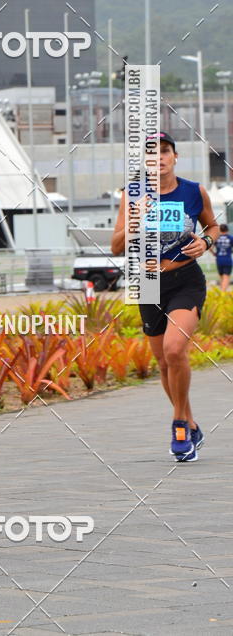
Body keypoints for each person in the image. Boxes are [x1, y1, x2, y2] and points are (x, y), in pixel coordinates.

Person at [111, 132, 219, 462]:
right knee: (162, 361)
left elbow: (212, 227)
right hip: (147, 283)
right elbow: (115, 246)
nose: (158, 158)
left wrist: (207, 243)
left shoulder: (193, 191)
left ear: (175, 157)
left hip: (185, 280)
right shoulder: (132, 195)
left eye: (165, 152)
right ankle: (190, 422)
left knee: (175, 348)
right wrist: (134, 219)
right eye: (150, 154)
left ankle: (178, 425)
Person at [213, 223, 233, 290]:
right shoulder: (230, 238)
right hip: (227, 259)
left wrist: (214, 253)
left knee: (222, 277)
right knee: (226, 277)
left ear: (220, 230)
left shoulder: (216, 238)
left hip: (219, 259)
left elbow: (210, 247)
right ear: (227, 230)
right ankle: (223, 293)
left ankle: (222, 292)